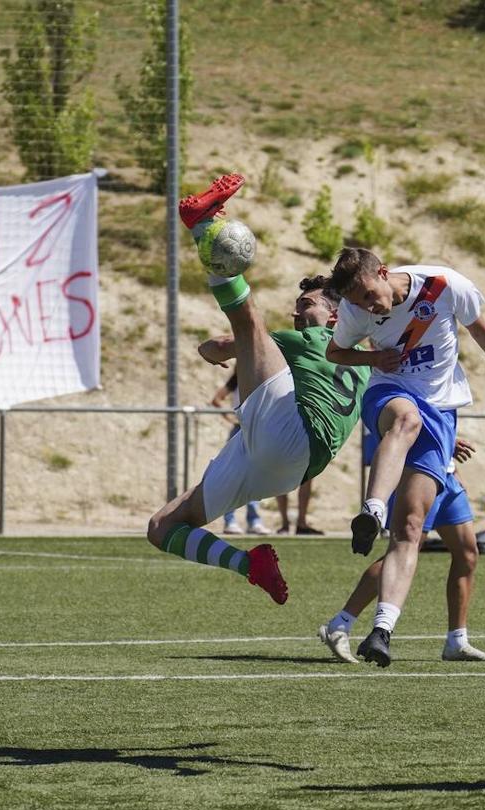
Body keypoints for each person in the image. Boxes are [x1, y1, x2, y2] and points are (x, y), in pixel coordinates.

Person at [147, 175, 369, 605]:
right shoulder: (369, 359)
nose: (297, 309)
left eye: (308, 304)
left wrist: (213, 350)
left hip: (290, 438)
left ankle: (202, 225)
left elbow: (223, 343)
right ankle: (251, 565)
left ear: (334, 314)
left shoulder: (307, 340)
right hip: (286, 467)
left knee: (252, 321)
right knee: (163, 526)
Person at [324, 247, 485, 666]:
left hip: (440, 415)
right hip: (389, 396)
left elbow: (479, 329)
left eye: (369, 294)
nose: (368, 306)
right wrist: (370, 358)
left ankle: (382, 630)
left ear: (383, 272)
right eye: (358, 301)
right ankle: (372, 510)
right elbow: (336, 352)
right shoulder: (354, 311)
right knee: (405, 420)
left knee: (414, 530)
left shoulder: (444, 285)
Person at [319, 437, 485, 662]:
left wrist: (451, 455)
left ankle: (457, 641)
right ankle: (340, 624)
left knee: (467, 554)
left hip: (448, 475)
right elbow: (409, 417)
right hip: (421, 473)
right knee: (402, 551)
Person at [209, 373, 271, 536]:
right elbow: (217, 399)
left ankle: (254, 520)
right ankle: (230, 521)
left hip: (257, 429)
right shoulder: (237, 379)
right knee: (233, 474)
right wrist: (231, 418)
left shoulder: (262, 379)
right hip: (240, 429)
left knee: (255, 476)